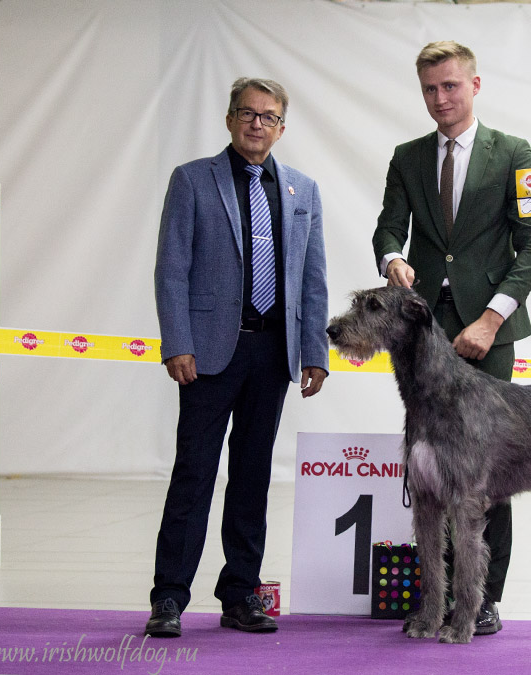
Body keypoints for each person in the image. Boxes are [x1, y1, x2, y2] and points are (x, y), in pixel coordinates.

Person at [372, 41, 531, 635]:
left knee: (483, 474)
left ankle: (483, 599)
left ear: (476, 85)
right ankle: (436, 597)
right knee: (429, 472)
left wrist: (492, 318)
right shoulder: (407, 156)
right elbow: (388, 227)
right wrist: (393, 257)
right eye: (429, 89)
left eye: (450, 86)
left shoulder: (514, 153)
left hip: (487, 333)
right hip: (423, 335)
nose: (440, 98)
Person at [146, 77, 329, 637]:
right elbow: (171, 268)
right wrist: (176, 342)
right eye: (247, 113)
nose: (257, 123)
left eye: (269, 116)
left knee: (252, 477)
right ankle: (169, 598)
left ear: (281, 127)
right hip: (207, 354)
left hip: (273, 354)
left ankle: (241, 594)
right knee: (194, 475)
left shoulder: (302, 190)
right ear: (229, 120)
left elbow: (312, 278)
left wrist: (315, 350)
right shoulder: (192, 180)